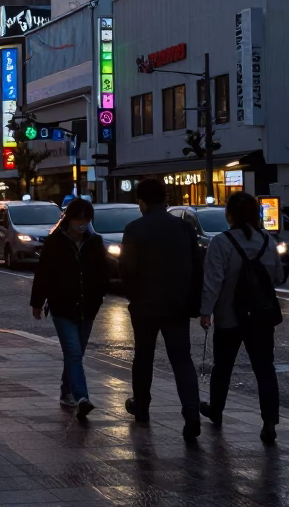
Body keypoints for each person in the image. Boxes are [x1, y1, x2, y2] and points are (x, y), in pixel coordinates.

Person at [119, 178, 203, 440]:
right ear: (165, 199)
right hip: (177, 305)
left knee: (143, 357)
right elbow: (197, 268)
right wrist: (193, 302)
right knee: (182, 361)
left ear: (141, 202)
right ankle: (192, 415)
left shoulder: (134, 229)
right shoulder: (184, 228)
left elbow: (126, 270)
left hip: (144, 305)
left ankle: (142, 408)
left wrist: (133, 296)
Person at [199, 191, 284, 443]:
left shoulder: (221, 242)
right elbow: (278, 277)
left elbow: (213, 281)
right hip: (260, 316)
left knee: (222, 367)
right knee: (265, 369)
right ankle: (269, 422)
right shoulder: (268, 241)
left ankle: (216, 409)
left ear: (230, 215)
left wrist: (206, 311)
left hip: (228, 316)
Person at [30, 198, 107, 419]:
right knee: (73, 351)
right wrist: (37, 302)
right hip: (62, 307)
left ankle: (66, 391)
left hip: (88, 307)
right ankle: (82, 396)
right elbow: (43, 273)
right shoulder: (56, 242)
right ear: (69, 219)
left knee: (76, 353)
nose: (82, 223)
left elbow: (102, 274)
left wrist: (98, 295)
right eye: (78, 218)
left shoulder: (94, 242)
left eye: (86, 219)